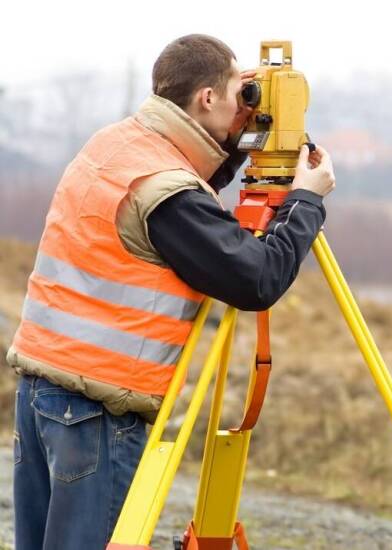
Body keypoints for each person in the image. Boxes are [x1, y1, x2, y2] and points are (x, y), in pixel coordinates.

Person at [7, 34, 335, 550]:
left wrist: (231, 142)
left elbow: (185, 201)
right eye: (236, 92)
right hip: (96, 410)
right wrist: (306, 203)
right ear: (206, 98)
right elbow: (258, 279)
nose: (242, 105)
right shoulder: (167, 193)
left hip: (40, 395)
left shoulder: (117, 145)